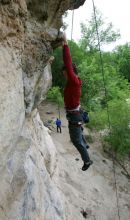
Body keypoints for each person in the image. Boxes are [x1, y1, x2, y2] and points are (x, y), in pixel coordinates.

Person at [62, 33, 93, 171]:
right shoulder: (73, 82)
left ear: (70, 72)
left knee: (75, 140)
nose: (64, 74)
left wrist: (65, 44)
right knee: (79, 133)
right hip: (76, 113)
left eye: (65, 72)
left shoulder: (73, 81)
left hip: (75, 115)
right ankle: (85, 145)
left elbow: (68, 62)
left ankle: (87, 161)